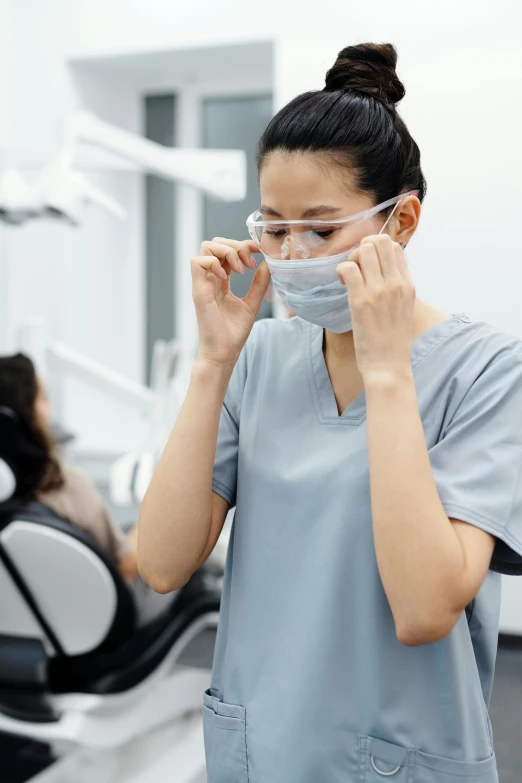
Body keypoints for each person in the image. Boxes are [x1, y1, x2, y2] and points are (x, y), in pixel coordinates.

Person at [138, 43, 522, 782]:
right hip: (260, 747)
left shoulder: (488, 371)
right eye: (273, 229)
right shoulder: (258, 358)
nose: (292, 254)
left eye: (321, 229)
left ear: (400, 221)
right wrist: (214, 360)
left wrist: (385, 370)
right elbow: (159, 562)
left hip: (400, 755)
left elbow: (423, 608)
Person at [0, 353, 175, 628]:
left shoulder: (12, 499)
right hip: (101, 623)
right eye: (43, 398)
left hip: (38, 624)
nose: (50, 407)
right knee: (180, 542)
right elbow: (127, 565)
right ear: (27, 412)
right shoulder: (66, 488)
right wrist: (152, 528)